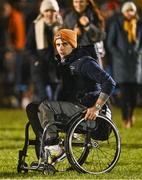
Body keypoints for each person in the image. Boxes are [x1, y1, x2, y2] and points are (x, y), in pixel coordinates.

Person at [26, 29, 116, 164]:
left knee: (46, 106)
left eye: (65, 44)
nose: (60, 48)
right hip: (74, 108)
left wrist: (96, 107)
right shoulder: (64, 63)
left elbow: (109, 82)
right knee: (32, 108)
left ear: (73, 45)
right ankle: (45, 152)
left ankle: (55, 147)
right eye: (58, 44)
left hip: (89, 113)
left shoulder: (85, 63)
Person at [106, 2, 142, 128]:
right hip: (121, 64)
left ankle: (130, 113)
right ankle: (125, 117)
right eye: (127, 10)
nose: (130, 13)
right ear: (123, 12)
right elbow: (110, 43)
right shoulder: (117, 24)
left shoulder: (139, 24)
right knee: (125, 93)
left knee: (134, 94)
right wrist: (119, 55)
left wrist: (138, 52)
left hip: (136, 64)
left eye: (132, 10)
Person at [26, 0, 63, 102]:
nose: (49, 14)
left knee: (56, 98)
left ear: (57, 12)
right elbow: (29, 47)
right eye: (47, 11)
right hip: (40, 68)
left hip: (56, 69)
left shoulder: (62, 26)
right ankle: (45, 118)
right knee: (45, 97)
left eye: (52, 10)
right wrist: (35, 61)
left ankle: (53, 118)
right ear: (42, 12)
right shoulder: (35, 26)